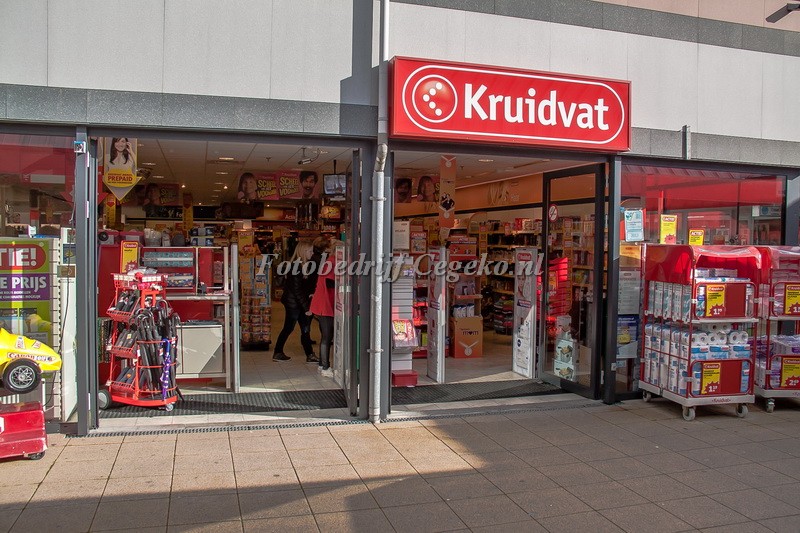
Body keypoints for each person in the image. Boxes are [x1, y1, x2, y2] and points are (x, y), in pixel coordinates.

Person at [271, 242, 318, 363]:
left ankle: (309, 354)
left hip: (297, 302)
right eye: (310, 251)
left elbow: (302, 288)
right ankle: (278, 352)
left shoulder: (304, 265)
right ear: (303, 252)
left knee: (304, 328)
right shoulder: (296, 267)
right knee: (290, 328)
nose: (312, 253)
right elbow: (297, 290)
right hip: (294, 304)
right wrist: (307, 307)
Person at [310, 239, 341, 377]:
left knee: (326, 335)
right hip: (325, 303)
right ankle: (325, 367)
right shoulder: (332, 262)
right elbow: (329, 282)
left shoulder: (330, 261)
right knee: (327, 336)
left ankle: (322, 365)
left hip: (323, 302)